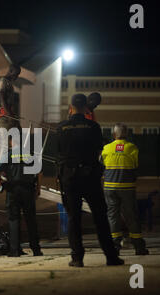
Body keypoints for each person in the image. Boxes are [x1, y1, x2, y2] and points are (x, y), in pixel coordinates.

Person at [56, 94, 124, 267]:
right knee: (100, 218)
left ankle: (77, 258)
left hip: (70, 178)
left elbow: (59, 152)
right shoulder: (93, 126)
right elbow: (98, 149)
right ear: (86, 107)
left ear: (70, 107)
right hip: (90, 177)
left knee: (74, 219)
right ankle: (111, 256)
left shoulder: (62, 127)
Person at [101, 123, 149, 255]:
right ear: (126, 134)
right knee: (131, 216)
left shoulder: (106, 148)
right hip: (127, 188)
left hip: (110, 187)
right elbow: (135, 166)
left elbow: (102, 164)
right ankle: (139, 247)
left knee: (112, 216)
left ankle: (115, 246)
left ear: (113, 134)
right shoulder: (132, 148)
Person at [0, 137, 43, 257]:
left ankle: (14, 250)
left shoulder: (9, 154)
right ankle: (36, 250)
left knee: (14, 219)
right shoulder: (29, 154)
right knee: (31, 220)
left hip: (13, 190)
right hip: (28, 189)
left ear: (12, 142)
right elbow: (40, 172)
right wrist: (38, 188)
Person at [0, 64, 22, 154]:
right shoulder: (3, 81)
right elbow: (1, 98)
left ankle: (10, 163)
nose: (16, 77)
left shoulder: (9, 83)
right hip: (3, 114)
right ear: (10, 71)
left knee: (17, 134)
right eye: (15, 74)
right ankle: (1, 166)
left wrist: (15, 119)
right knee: (5, 141)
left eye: (18, 75)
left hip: (9, 115)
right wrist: (9, 115)